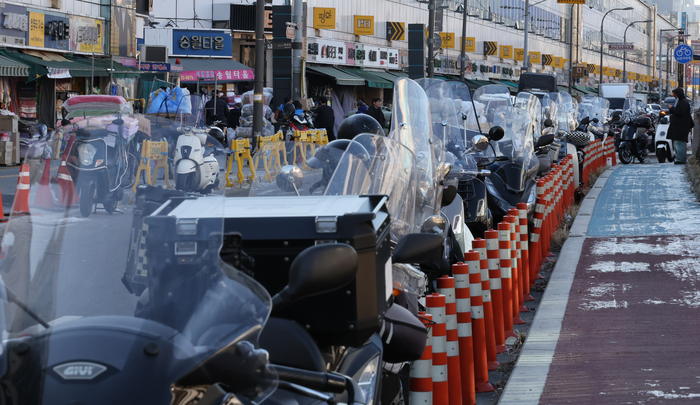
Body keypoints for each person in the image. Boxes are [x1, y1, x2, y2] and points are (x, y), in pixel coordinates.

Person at [667, 87, 693, 164]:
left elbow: (680, 112)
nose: (675, 97)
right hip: (679, 128)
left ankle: (680, 159)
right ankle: (679, 158)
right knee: (677, 144)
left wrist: (671, 108)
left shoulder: (683, 102)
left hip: (681, 128)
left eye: (675, 95)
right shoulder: (681, 102)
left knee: (679, 144)